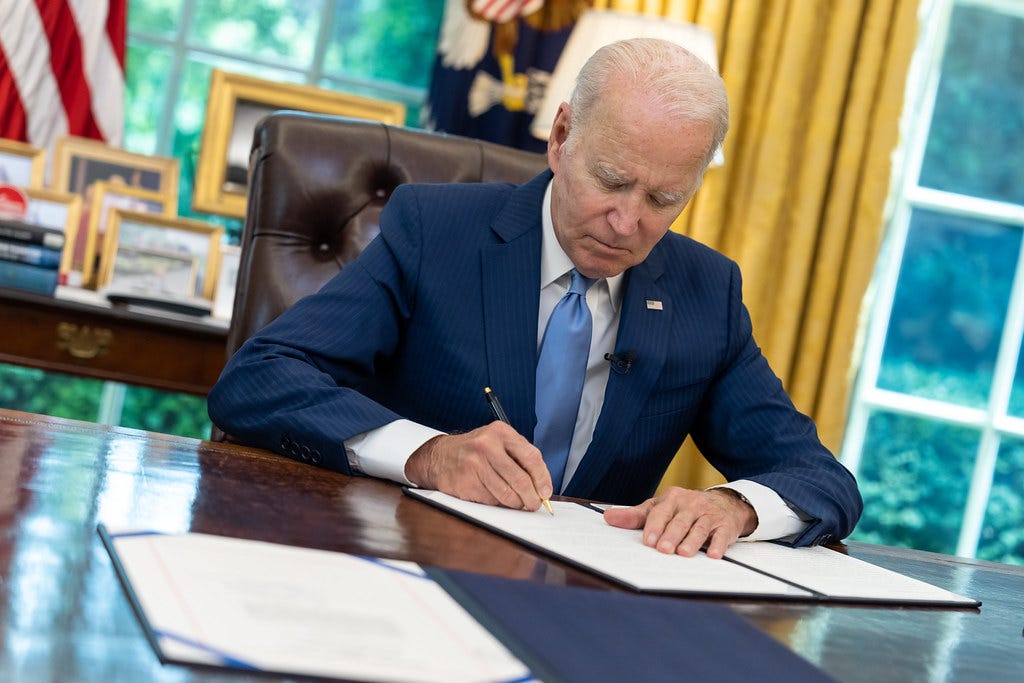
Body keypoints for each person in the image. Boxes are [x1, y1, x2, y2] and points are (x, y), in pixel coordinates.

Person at [208, 38, 862, 559]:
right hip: (400, 567)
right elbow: (259, 380)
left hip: (579, 618)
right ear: (560, 137)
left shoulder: (704, 292)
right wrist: (428, 454)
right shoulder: (433, 230)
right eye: (612, 180)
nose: (627, 222)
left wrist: (737, 506)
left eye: (664, 199)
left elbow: (820, 479)